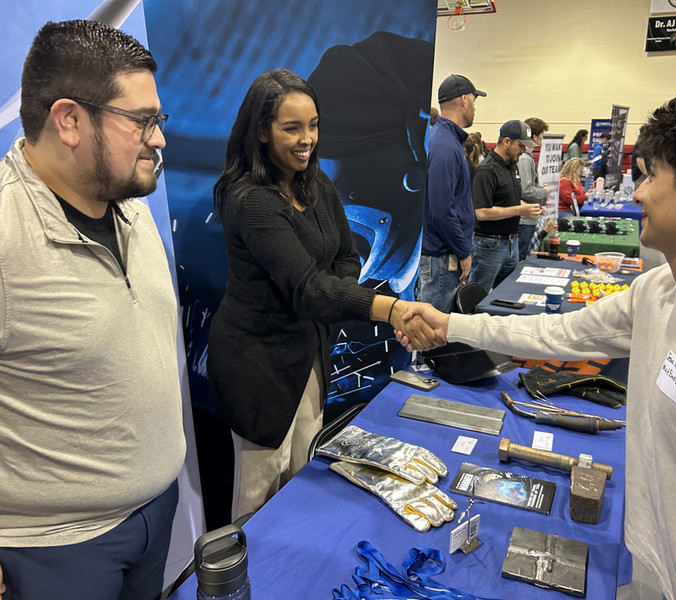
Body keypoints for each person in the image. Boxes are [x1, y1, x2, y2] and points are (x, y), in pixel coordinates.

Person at [399, 76, 676, 600]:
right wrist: (450, 324)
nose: (636, 192)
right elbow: (558, 333)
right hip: (647, 563)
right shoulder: (659, 290)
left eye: (651, 176)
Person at [0, 20, 186, 600]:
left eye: (157, 120)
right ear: (69, 120)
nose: (158, 139)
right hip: (50, 548)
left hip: (154, 515)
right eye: (142, 121)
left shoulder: (130, 205)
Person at [207, 69, 436, 521]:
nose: (306, 139)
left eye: (312, 125)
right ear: (260, 130)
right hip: (258, 366)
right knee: (259, 494)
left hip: (309, 353)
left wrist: (332, 286)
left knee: (300, 473)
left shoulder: (315, 183)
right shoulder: (250, 199)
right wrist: (390, 309)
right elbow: (310, 288)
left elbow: (347, 260)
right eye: (291, 127)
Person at [417, 74, 486, 311]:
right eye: (475, 102)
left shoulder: (446, 140)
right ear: (464, 100)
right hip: (442, 257)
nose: (475, 108)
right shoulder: (445, 145)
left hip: (443, 254)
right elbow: (441, 209)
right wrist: (463, 251)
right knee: (432, 333)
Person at [470, 119, 543, 292]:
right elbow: (481, 212)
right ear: (506, 142)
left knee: (507, 294)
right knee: (478, 296)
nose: (524, 150)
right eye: (521, 145)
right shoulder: (486, 170)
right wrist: (520, 210)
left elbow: (507, 200)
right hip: (489, 245)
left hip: (512, 242)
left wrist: (529, 207)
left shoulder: (512, 166)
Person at [516, 117, 552, 260]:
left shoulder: (527, 157)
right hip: (524, 220)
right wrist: (544, 192)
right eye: (542, 135)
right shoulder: (524, 159)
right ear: (535, 136)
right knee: (519, 259)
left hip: (528, 217)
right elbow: (525, 190)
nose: (542, 138)